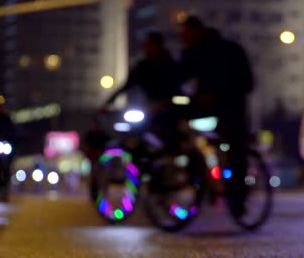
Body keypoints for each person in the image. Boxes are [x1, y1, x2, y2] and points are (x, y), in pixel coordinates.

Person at [178, 16, 254, 215]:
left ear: (197, 31)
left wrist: (217, 94)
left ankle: (237, 197)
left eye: (186, 33)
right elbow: (180, 80)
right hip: (203, 110)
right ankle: (200, 179)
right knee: (182, 133)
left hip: (231, 109)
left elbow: (245, 82)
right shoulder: (189, 54)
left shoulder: (226, 50)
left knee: (235, 149)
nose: (183, 37)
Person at [102, 31, 180, 122]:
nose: (148, 48)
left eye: (150, 45)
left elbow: (179, 90)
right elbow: (127, 85)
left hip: (170, 109)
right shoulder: (143, 67)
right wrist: (107, 103)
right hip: (149, 108)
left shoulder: (171, 65)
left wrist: (167, 103)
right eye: (146, 45)